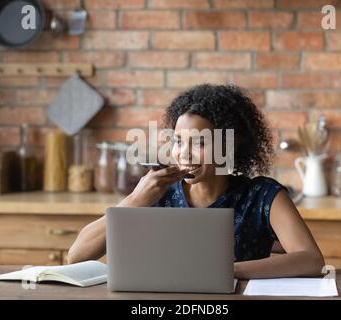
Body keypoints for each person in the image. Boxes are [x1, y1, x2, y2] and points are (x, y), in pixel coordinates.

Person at [68, 84, 325, 279]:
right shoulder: (155, 192)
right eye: (179, 141)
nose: (184, 153)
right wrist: (134, 201)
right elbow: (76, 256)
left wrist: (224, 271)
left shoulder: (262, 195)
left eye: (200, 142)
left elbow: (312, 260)